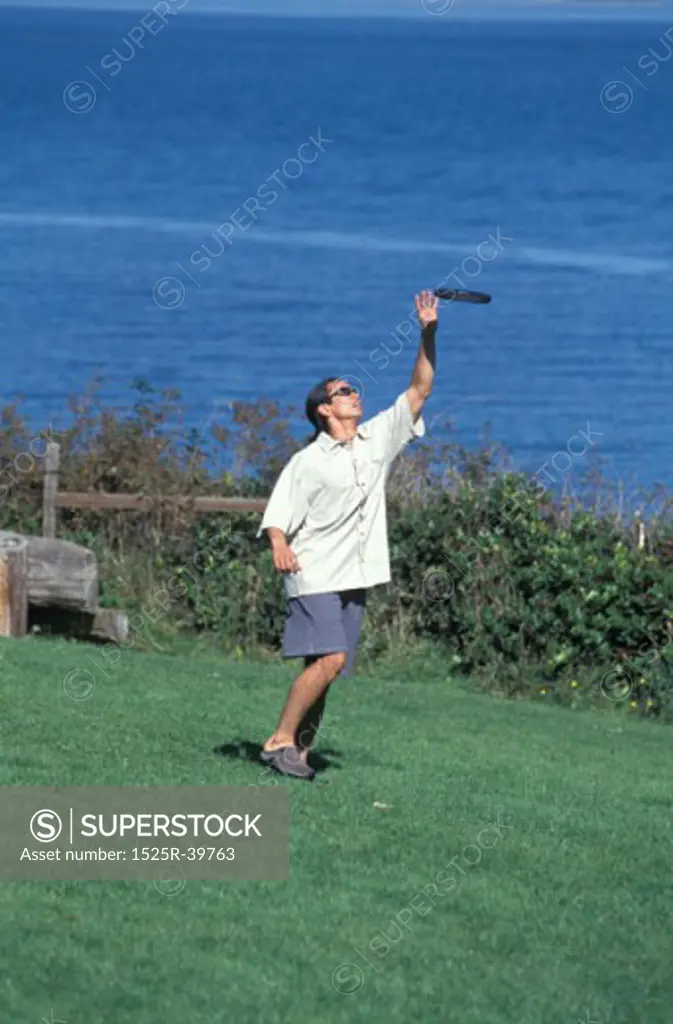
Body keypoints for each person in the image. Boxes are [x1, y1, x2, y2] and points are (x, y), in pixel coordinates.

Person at [256, 290, 438, 779]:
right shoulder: (307, 461)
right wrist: (278, 544)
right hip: (311, 572)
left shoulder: (377, 438)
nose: (354, 394)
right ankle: (278, 740)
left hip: (355, 575)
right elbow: (278, 515)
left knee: (326, 671)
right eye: (343, 392)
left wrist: (428, 331)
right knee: (332, 659)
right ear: (323, 409)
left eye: (353, 390)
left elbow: (419, 390)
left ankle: (299, 755)